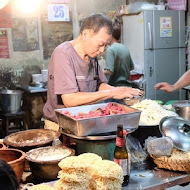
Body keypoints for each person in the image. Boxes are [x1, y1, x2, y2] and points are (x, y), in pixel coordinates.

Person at [43, 13, 141, 131]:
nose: (102, 50)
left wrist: (121, 92)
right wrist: (111, 93)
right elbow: (69, 99)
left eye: (105, 46)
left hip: (84, 122)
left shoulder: (91, 55)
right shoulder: (63, 54)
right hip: (61, 126)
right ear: (85, 34)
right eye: (100, 44)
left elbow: (100, 85)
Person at [104, 23, 134, 87]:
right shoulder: (125, 47)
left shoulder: (110, 49)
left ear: (111, 36)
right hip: (127, 86)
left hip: (116, 88)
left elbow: (109, 71)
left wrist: (97, 73)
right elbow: (132, 67)